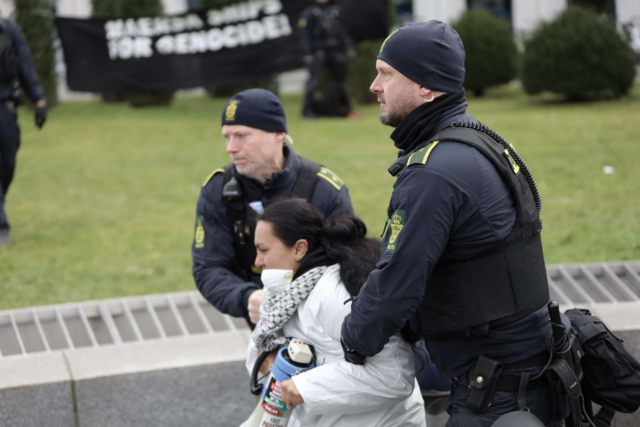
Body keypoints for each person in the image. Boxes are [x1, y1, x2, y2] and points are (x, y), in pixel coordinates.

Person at [339, 21, 555, 426]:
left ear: (426, 86)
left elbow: (397, 284)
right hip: (521, 371)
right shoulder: (477, 141)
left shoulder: (434, 171)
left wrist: (350, 340)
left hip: (494, 391)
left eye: (385, 73)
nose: (373, 85)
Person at [245, 198, 426, 426]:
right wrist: (266, 359)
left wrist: (306, 387)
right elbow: (265, 340)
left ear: (300, 248)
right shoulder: (284, 292)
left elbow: (394, 377)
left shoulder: (333, 296)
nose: (257, 261)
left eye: (263, 251)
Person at [192, 89, 353, 327]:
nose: (230, 148)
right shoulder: (218, 189)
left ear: (278, 133)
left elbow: (349, 266)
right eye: (227, 137)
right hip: (258, 320)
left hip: (322, 320)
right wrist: (248, 298)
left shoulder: (325, 189)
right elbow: (209, 266)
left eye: (241, 136)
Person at [0, 16, 47, 245]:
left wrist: (38, 99)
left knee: (7, 163)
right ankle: (1, 225)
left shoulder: (8, 29)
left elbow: (24, 63)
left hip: (5, 106)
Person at [298, 0, 353, 118]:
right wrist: (307, 53)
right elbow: (305, 35)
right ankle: (307, 110)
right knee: (313, 81)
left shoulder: (335, 11)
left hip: (335, 51)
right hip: (318, 51)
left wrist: (348, 47)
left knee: (340, 81)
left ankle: (344, 108)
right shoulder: (309, 13)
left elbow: (343, 32)